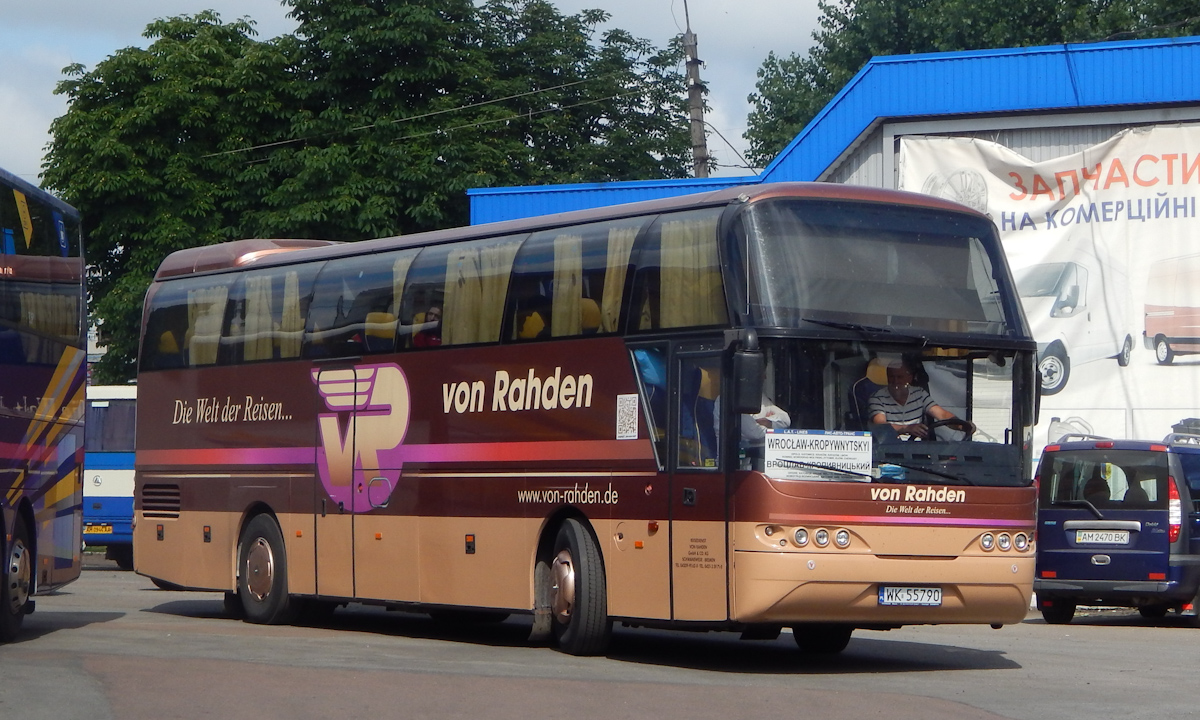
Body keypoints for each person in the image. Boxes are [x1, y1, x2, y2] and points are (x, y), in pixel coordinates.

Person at [867, 358, 973, 440]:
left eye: (899, 377)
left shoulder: (919, 394)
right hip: (888, 450)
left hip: (917, 450)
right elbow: (880, 425)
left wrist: (961, 425)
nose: (895, 381)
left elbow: (942, 414)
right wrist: (906, 428)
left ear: (910, 378)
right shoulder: (877, 398)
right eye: (891, 377)